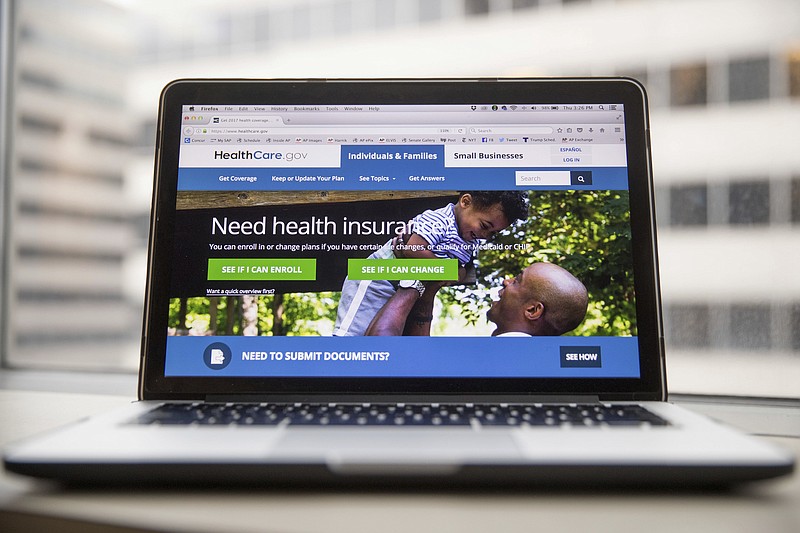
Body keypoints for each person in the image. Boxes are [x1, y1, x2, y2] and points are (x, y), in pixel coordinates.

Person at [333, 191, 528, 336]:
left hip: (407, 286)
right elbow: (411, 249)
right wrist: (446, 270)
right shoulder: (438, 220)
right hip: (377, 279)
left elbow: (458, 274)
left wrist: (446, 271)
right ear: (465, 202)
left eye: (492, 234)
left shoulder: (471, 240)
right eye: (485, 226)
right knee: (352, 336)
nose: (485, 235)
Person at [364, 262, 588, 337]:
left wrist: (413, 280)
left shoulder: (492, 357)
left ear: (532, 310)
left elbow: (380, 356)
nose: (506, 281)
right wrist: (428, 293)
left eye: (518, 281)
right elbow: (417, 357)